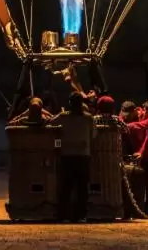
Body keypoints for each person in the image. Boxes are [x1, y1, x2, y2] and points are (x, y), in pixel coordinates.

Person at [53, 92, 96, 222]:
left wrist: (57, 145)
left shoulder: (63, 116)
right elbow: (94, 135)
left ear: (70, 104)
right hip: (83, 156)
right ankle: (81, 216)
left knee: (66, 187)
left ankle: (63, 215)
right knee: (82, 188)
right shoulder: (89, 118)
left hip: (66, 156)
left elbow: (51, 125)